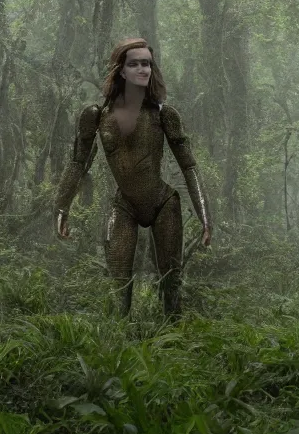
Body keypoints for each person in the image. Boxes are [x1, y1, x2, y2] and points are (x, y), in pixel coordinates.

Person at [54, 38, 212, 318]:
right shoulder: (96, 116)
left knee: (171, 282)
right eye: (134, 63)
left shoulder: (164, 115)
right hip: (124, 205)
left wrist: (205, 216)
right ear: (121, 71)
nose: (143, 69)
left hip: (163, 203)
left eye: (147, 63)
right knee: (118, 285)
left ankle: (174, 342)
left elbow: (189, 166)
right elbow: (78, 163)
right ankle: (118, 343)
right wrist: (61, 208)